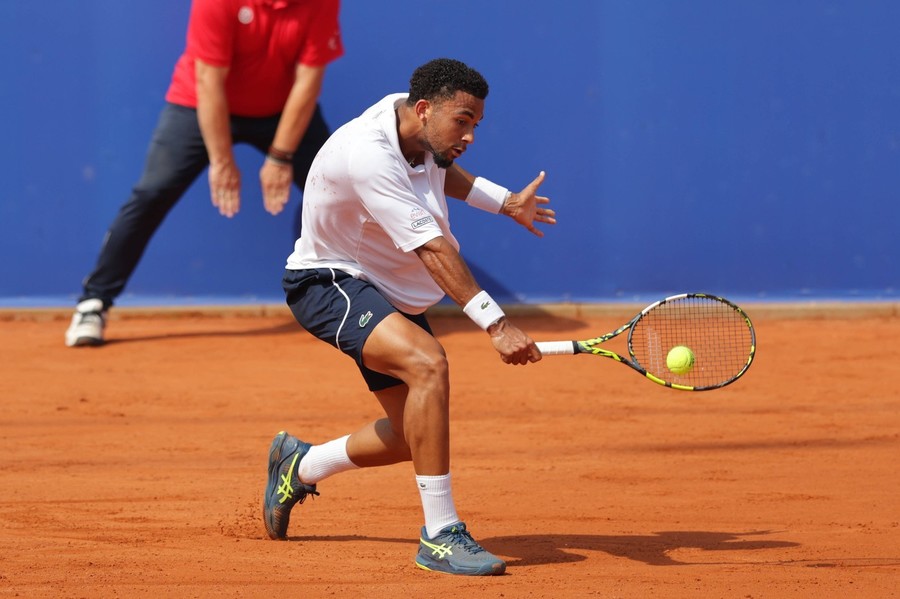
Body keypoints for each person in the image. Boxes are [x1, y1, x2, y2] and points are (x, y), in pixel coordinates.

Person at [263, 58, 557, 576]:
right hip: (328, 281)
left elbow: (442, 165)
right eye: (461, 121)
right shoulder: (368, 155)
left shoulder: (412, 123)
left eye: (475, 125)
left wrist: (506, 202)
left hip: (385, 290)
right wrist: (496, 323)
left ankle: (300, 465)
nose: (468, 135)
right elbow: (434, 249)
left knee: (407, 436)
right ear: (424, 109)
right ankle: (440, 535)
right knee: (429, 365)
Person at [65, 0, 343, 347]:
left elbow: (308, 80)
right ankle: (94, 302)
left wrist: (280, 157)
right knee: (153, 192)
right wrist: (221, 160)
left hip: (281, 108)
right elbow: (208, 78)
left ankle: (330, 297)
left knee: (334, 188)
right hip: (199, 103)